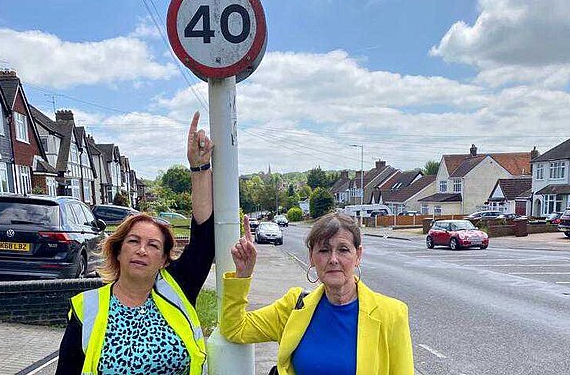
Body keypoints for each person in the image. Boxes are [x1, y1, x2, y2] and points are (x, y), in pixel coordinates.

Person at [56, 111, 214, 375]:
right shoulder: (88, 309)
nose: (142, 249)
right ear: (118, 251)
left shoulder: (177, 289)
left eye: (153, 245)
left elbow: (204, 240)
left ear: (164, 259)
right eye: (134, 241)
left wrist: (199, 169)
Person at [221, 212, 414, 375]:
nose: (333, 259)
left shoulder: (392, 314)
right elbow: (235, 328)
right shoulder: (294, 306)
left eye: (343, 250)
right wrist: (242, 276)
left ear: (358, 255)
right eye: (323, 250)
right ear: (311, 257)